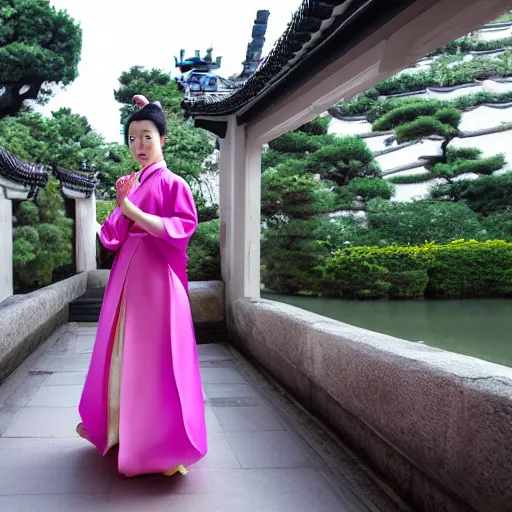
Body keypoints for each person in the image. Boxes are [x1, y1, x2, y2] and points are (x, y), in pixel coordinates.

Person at [76, 96, 207, 478]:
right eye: (132, 138)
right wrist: (121, 206)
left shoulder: (173, 183)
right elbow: (113, 237)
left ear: (162, 139)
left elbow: (183, 226)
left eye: (147, 136)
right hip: (126, 277)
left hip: (156, 280)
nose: (139, 146)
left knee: (155, 358)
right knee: (121, 351)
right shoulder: (131, 183)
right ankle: (117, 432)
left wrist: (133, 212)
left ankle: (160, 442)